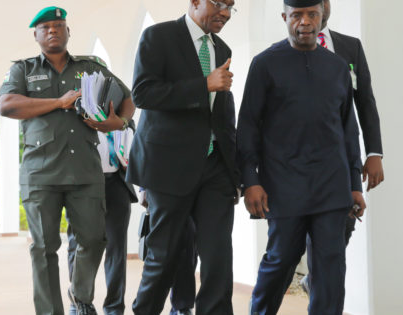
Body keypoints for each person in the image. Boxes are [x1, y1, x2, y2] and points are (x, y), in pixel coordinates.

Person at [237, 0, 366, 314]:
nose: (305, 22)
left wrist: (354, 184)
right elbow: (248, 127)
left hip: (332, 187)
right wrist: (251, 182)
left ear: (323, 17)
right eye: (297, 15)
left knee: (331, 270)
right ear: (285, 17)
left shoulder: (337, 67)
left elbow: (349, 131)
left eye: (312, 14)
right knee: (280, 261)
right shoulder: (264, 64)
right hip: (283, 186)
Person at [0, 6, 127, 315]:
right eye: (46, 28)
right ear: (36, 35)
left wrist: (118, 122)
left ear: (69, 32)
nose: (53, 30)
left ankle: (80, 298)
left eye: (59, 26)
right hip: (40, 174)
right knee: (43, 249)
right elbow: (5, 104)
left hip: (85, 171)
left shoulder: (91, 67)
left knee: (95, 239)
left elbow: (127, 95)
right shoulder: (23, 70)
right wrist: (58, 102)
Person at [126, 0, 240, 314]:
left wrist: (237, 174)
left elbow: (223, 113)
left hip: (215, 167)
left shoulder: (222, 47)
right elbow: (143, 93)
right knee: (165, 255)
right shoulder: (158, 37)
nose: (226, 12)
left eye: (231, 6)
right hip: (168, 167)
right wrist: (203, 84)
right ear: (194, 2)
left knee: (218, 256)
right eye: (219, 4)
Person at [293, 0, 385, 295]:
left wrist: (374, 153)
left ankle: (316, 280)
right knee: (298, 234)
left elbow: (365, 102)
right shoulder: (287, 48)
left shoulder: (350, 47)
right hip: (298, 159)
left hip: (342, 156)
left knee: (345, 218)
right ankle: (305, 279)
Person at [67, 104, 138, 315]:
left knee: (117, 250)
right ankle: (78, 302)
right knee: (77, 245)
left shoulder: (123, 116)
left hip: (117, 183)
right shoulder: (77, 112)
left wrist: (130, 161)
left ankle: (114, 307)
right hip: (84, 184)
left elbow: (136, 147)